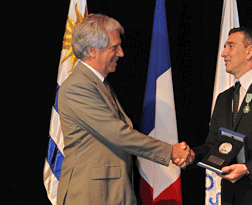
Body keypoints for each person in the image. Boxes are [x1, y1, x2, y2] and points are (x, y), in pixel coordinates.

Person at [56, 14, 194, 205]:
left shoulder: (98, 84)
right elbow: (118, 134)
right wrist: (170, 151)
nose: (121, 53)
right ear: (91, 50)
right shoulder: (77, 87)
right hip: (91, 194)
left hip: (108, 192)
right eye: (114, 47)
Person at [176, 27, 252, 204]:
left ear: (250, 51)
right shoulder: (224, 98)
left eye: (230, 46)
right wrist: (192, 155)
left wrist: (247, 168)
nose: (223, 53)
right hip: (232, 198)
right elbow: (215, 145)